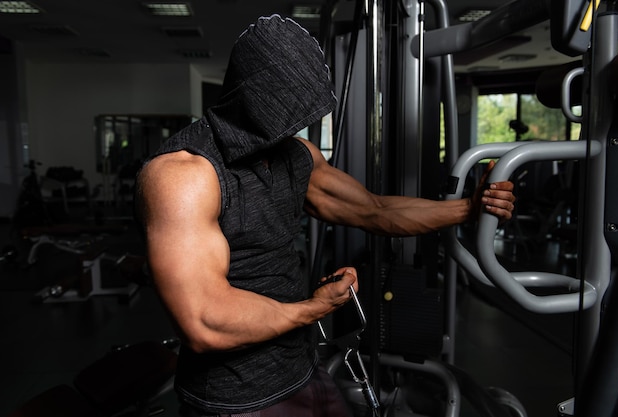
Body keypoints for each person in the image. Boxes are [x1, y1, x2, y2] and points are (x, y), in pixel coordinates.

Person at [134, 14, 515, 417]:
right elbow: (205, 321)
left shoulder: (296, 157)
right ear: (255, 98)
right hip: (237, 398)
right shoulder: (184, 177)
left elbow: (374, 209)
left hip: (302, 368)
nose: (298, 126)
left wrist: (470, 208)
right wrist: (314, 309)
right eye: (288, 112)